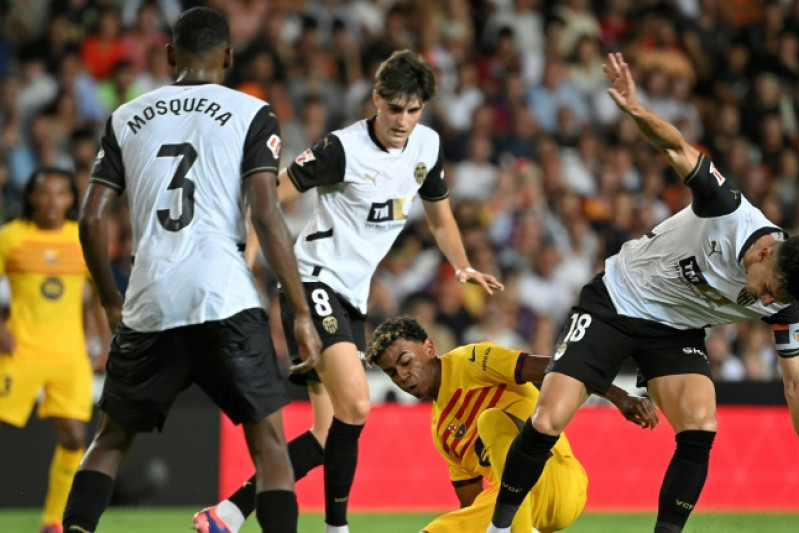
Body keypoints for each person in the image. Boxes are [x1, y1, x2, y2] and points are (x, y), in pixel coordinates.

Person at [485, 53, 799, 533]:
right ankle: (499, 528)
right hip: (618, 300)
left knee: (701, 424)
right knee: (548, 419)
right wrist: (636, 109)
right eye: (767, 290)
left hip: (676, 330)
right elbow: (677, 147)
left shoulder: (787, 299)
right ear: (766, 253)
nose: (765, 303)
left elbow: (798, 384)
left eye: (773, 300)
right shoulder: (727, 210)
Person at [194, 49, 504, 533]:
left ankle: (227, 513)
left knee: (326, 433)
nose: (402, 120)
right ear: (376, 99)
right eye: (394, 108)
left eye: (413, 110)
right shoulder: (341, 148)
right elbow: (268, 197)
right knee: (357, 406)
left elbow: (441, 217)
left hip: (351, 298)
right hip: (312, 281)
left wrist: (462, 265)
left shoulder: (427, 146)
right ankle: (336, 529)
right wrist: (247, 260)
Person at [61, 7, 319, 533]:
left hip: (149, 301)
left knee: (110, 440)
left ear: (170, 55)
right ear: (228, 56)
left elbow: (89, 218)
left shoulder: (125, 116)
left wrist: (111, 300)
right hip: (224, 296)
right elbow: (266, 213)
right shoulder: (252, 113)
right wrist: (299, 313)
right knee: (269, 445)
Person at [366, 315, 658, 533]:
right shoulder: (441, 432)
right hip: (519, 510)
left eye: (405, 362)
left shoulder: (471, 361)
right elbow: (472, 507)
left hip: (557, 481)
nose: (402, 376)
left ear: (429, 348)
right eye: (392, 373)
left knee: (491, 420)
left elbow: (558, 367)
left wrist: (619, 396)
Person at [0, 168, 110, 533]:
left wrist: (104, 342)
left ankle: (52, 521)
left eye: (61, 193)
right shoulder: (11, 237)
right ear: (31, 197)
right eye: (45, 193)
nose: (52, 201)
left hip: (69, 353)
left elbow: (97, 295)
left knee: (75, 436)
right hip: (21, 349)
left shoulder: (81, 237)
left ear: (71, 199)